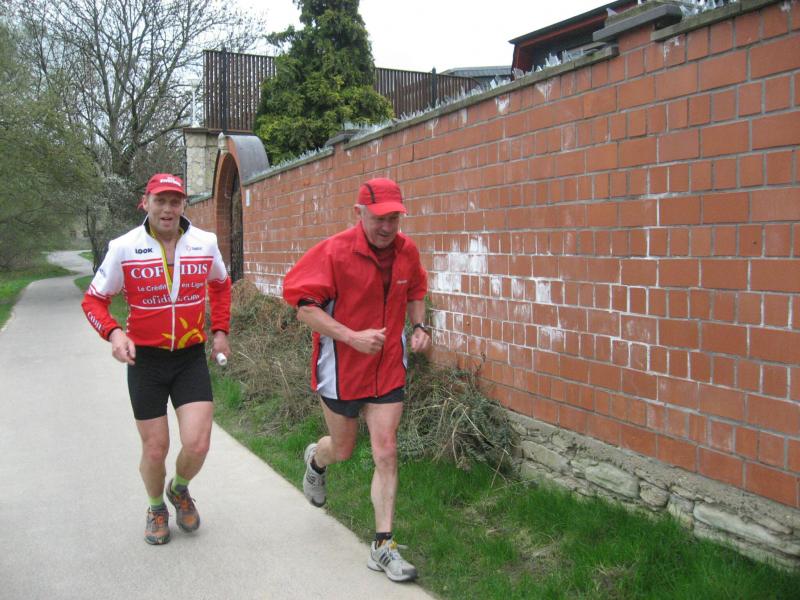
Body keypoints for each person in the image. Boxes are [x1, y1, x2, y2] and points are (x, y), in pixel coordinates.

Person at [282, 177, 431, 582]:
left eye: (394, 218)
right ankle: (317, 460)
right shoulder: (334, 252)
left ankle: (383, 545)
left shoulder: (407, 251)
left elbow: (416, 290)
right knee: (343, 449)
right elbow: (303, 308)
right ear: (359, 213)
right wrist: (351, 336)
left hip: (388, 369)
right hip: (341, 371)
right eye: (379, 218)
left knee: (386, 450)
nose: (387, 227)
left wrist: (420, 326)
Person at [81, 173, 231, 545]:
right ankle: (155, 508)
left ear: (183, 205)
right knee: (155, 447)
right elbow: (93, 300)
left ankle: (178, 489)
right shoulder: (124, 247)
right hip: (145, 361)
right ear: (145, 203)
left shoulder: (205, 243)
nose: (167, 209)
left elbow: (220, 285)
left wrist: (220, 331)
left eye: (174, 201)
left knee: (197, 444)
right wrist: (114, 333)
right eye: (160, 201)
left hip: (189, 357)